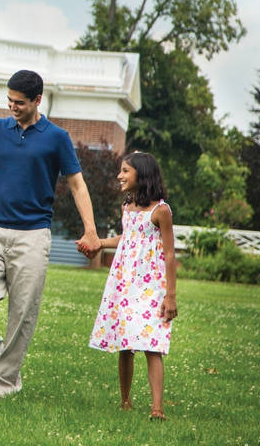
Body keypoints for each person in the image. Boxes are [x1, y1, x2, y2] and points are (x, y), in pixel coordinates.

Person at [0, 69, 102, 397]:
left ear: (38, 100)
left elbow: (77, 183)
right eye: (9, 100)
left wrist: (91, 230)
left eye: (20, 102)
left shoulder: (57, 137)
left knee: (23, 310)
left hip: (33, 234)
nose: (13, 106)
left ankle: (4, 382)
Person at [81, 151, 177, 420]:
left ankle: (157, 407)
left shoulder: (161, 211)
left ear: (142, 175)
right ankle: (125, 401)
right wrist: (99, 242)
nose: (119, 176)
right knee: (126, 343)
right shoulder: (127, 206)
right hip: (125, 282)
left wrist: (171, 296)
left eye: (125, 171)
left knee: (151, 344)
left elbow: (169, 254)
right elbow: (127, 237)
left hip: (152, 286)